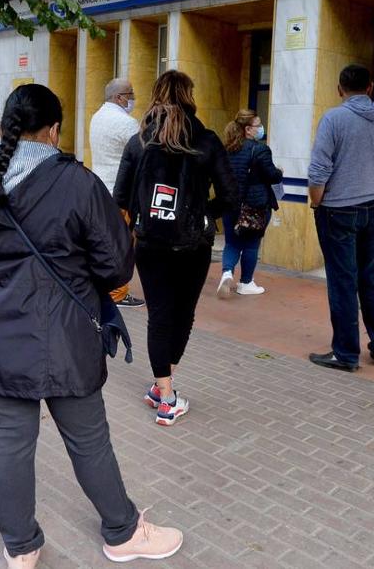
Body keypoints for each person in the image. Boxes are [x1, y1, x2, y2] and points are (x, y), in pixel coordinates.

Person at [0, 84, 183, 568]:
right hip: (63, 337)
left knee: (8, 440)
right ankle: (121, 532)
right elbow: (117, 266)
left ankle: (20, 547)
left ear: (3, 126)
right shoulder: (76, 182)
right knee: (89, 438)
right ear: (54, 130)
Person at [114, 71, 236, 426]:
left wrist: (143, 215)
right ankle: (167, 396)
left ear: (155, 96)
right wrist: (203, 215)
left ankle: (161, 387)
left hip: (149, 243)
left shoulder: (138, 142)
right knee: (182, 315)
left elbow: (120, 197)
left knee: (159, 315)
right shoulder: (207, 140)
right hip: (192, 245)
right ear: (189, 96)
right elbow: (231, 196)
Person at [307, 64, 374, 372]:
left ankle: (346, 353)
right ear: (370, 87)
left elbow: (318, 171)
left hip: (337, 210)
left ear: (340, 89)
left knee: (342, 281)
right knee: (370, 279)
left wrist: (317, 203)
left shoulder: (333, 119)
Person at [88, 77, 145, 308]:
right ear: (119, 97)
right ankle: (118, 293)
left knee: (103, 242)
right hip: (121, 193)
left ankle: (102, 286)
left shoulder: (97, 117)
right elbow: (141, 158)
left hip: (99, 187)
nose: (133, 98)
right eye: (130, 94)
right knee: (121, 244)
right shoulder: (127, 123)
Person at [218, 109, 284, 298]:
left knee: (231, 242)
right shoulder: (259, 149)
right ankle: (245, 282)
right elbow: (272, 175)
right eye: (258, 125)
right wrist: (279, 172)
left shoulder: (227, 149)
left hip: (231, 203)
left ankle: (227, 272)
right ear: (248, 129)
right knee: (251, 244)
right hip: (254, 205)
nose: (261, 128)